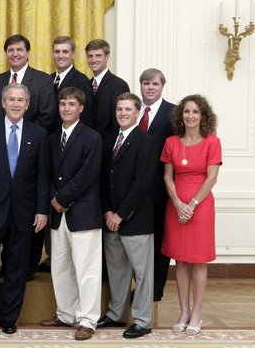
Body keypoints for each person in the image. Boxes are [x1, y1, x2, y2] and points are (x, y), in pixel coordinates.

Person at [0, 83, 50, 335]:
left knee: (17, 266)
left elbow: (42, 177)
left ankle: (8, 317)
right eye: (11, 99)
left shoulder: (38, 134)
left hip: (24, 213)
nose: (16, 104)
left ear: (28, 104)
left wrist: (41, 210)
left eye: (21, 100)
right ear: (3, 103)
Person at [0, 34, 55, 280]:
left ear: (28, 52)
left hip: (30, 156)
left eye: (19, 50)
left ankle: (27, 269)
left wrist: (26, 139)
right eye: (10, 50)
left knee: (26, 230)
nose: (15, 54)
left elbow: (47, 117)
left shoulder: (44, 80)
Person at [40, 88, 102, 341]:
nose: (66, 108)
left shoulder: (92, 137)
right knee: (61, 267)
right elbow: (45, 173)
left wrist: (63, 198)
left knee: (87, 270)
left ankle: (87, 320)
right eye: (63, 104)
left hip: (83, 212)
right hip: (58, 214)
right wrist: (54, 200)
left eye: (71, 104)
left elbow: (88, 174)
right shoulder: (51, 138)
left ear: (81, 108)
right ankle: (66, 314)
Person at [161, 94, 221, 336]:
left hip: (201, 207)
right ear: (181, 115)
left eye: (195, 112)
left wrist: (192, 204)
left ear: (203, 116)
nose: (190, 116)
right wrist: (178, 203)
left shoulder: (212, 142)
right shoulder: (171, 142)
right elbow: (167, 176)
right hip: (176, 206)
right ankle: (184, 311)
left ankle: (197, 312)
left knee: (198, 261)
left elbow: (212, 177)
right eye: (186, 111)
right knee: (181, 261)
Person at [98, 92, 157, 339]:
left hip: (135, 219)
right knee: (117, 272)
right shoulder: (109, 140)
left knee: (142, 274)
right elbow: (103, 180)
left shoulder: (147, 141)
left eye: (128, 110)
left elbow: (142, 183)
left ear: (137, 113)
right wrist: (108, 211)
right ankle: (116, 314)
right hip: (111, 220)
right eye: (119, 109)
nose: (122, 113)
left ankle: (143, 320)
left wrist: (120, 214)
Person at [137, 68, 175, 302]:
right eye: (146, 83)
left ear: (162, 86)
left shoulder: (173, 113)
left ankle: (156, 289)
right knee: (137, 242)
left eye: (155, 84)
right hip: (133, 189)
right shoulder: (130, 109)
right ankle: (139, 287)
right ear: (140, 86)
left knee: (160, 240)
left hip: (160, 189)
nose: (150, 88)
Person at [85, 39, 130, 141]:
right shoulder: (85, 84)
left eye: (98, 56)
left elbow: (121, 121)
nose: (93, 60)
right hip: (88, 146)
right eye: (90, 56)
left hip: (108, 147)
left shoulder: (119, 85)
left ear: (107, 57)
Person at [51, 36, 93, 130]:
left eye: (65, 52)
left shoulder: (82, 81)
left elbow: (86, 117)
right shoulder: (48, 79)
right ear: (53, 54)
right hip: (51, 139)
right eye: (57, 51)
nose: (60, 56)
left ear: (73, 54)